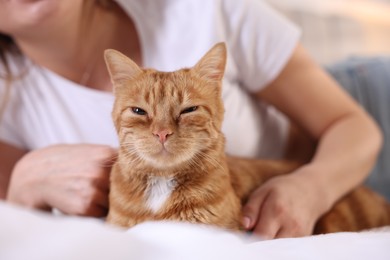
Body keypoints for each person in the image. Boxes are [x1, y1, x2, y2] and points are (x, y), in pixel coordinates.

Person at [0, 0, 386, 239]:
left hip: (353, 123)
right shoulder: (7, 99)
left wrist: (310, 188)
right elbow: (18, 233)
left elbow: (353, 126)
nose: (163, 130)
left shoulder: (202, 7)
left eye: (183, 112)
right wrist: (23, 183)